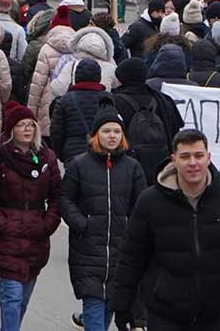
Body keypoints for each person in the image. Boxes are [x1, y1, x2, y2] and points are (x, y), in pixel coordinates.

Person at [112, 128, 220, 330]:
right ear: (174, 159)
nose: (193, 162)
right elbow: (131, 256)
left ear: (208, 158)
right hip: (164, 309)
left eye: (199, 155)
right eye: (185, 156)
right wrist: (122, 304)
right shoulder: (150, 201)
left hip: (211, 311)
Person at [60, 98, 147, 331]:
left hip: (121, 248)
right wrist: (81, 223)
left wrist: (133, 229)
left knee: (111, 301)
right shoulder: (80, 165)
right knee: (94, 303)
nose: (112, 136)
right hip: (88, 249)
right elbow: (65, 198)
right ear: (96, 134)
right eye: (106, 131)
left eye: (117, 131)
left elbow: (141, 204)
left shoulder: (132, 167)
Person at [0, 102, 61, 330]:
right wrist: (1, 223)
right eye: (21, 125)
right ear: (11, 130)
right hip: (7, 236)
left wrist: (47, 224)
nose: (27, 130)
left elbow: (57, 197)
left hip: (36, 237)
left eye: (30, 125)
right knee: (12, 297)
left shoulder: (47, 157)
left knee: (22, 300)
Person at [26, 5, 76, 138]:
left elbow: (37, 83)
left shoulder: (47, 48)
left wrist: (31, 111)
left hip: (47, 101)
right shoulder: (78, 48)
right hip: (70, 101)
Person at [49, 59, 108, 164]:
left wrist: (62, 154)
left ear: (76, 76)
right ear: (99, 77)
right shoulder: (109, 99)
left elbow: (56, 132)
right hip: (103, 150)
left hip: (73, 153)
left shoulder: (64, 100)